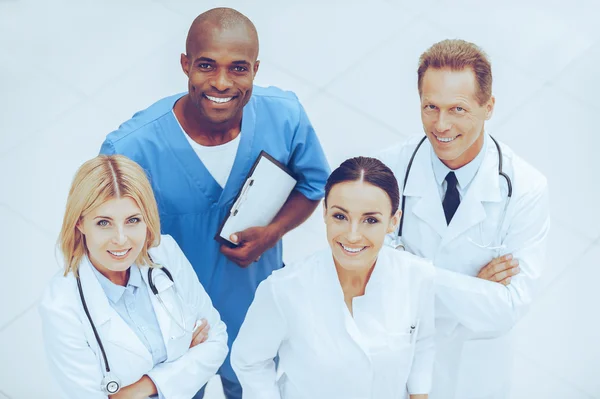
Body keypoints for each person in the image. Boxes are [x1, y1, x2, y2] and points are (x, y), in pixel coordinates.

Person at [99, 7, 329, 398]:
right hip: (169, 324)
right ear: (185, 64)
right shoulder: (130, 149)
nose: (221, 83)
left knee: (255, 386)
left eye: (238, 68)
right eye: (206, 65)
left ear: (256, 69)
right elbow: (104, 246)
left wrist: (273, 233)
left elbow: (313, 184)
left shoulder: (285, 117)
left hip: (254, 308)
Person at [378, 39, 550, 399]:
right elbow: (363, 275)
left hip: (474, 369)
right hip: (396, 353)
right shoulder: (388, 170)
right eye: (430, 107)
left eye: (458, 108)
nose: (441, 125)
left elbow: (507, 309)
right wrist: (474, 286)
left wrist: (410, 270)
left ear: (489, 106)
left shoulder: (525, 188)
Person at [231, 157, 435, 399]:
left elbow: (422, 343)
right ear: (325, 213)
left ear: (393, 221)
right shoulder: (283, 289)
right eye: (341, 217)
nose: (352, 235)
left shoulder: (417, 276)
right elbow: (250, 361)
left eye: (370, 220)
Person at [39, 154, 228, 399]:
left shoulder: (164, 253)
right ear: (79, 224)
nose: (120, 238)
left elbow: (216, 341)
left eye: (133, 220)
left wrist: (141, 387)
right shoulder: (61, 306)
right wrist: (184, 360)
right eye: (103, 223)